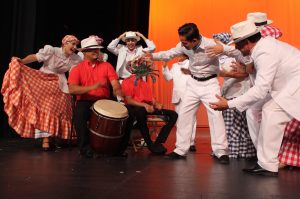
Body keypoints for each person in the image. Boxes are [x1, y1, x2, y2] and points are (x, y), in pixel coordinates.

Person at [209, 20, 300, 176]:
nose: (236, 48)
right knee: (253, 110)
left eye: (238, 44)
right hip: (285, 87)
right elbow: (236, 52)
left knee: (271, 111)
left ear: (247, 43)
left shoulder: (265, 52)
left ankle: (268, 165)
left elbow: (261, 89)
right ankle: (264, 159)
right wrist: (223, 49)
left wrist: (229, 104)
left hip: (295, 86)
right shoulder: (260, 46)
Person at [145, 23, 244, 163]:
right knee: (184, 115)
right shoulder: (184, 45)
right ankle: (180, 150)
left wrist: (225, 50)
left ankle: (221, 152)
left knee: (216, 116)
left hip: (210, 84)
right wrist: (152, 56)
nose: (182, 45)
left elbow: (236, 52)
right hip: (192, 84)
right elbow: (169, 53)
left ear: (195, 40)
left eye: (184, 42)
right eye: (181, 41)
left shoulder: (211, 45)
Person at [1, 35, 81, 150]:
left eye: (76, 45)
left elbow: (74, 74)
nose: (74, 47)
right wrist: (22, 61)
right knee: (46, 108)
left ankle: (55, 136)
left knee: (62, 109)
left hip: (60, 83)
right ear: (64, 44)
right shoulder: (52, 51)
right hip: (44, 80)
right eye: (72, 44)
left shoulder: (75, 59)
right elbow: (35, 57)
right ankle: (46, 139)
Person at [68, 37, 126, 158]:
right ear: (84, 52)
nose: (96, 51)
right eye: (92, 50)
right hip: (85, 101)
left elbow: (115, 83)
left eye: (97, 49)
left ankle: (117, 149)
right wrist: (93, 87)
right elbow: (72, 89)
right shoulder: (76, 69)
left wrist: (117, 90)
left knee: (127, 115)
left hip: (103, 101)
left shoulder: (106, 66)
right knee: (79, 114)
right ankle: (85, 149)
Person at [121, 57, 178, 155]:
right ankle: (149, 143)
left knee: (173, 114)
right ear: (131, 68)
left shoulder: (144, 83)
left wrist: (157, 104)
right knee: (140, 111)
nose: (139, 66)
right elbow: (129, 100)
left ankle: (158, 142)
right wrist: (144, 105)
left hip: (146, 107)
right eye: (135, 65)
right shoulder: (127, 81)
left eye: (140, 65)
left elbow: (152, 99)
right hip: (134, 107)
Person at [244, 12, 283, 149]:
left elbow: (250, 68)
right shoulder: (271, 34)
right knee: (256, 112)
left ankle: (263, 152)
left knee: (257, 113)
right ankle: (264, 152)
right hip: (267, 84)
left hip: (272, 86)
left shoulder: (264, 39)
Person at [214, 32, 256, 159]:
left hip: (242, 92)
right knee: (230, 125)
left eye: (216, 42)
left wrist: (228, 74)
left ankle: (246, 152)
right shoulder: (218, 58)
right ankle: (232, 151)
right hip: (229, 92)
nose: (214, 44)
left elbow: (245, 73)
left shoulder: (236, 55)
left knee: (242, 124)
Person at [162, 55, 197, 152]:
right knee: (179, 120)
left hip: (190, 95)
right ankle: (181, 143)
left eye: (181, 54)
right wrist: (165, 67)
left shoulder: (192, 64)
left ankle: (191, 142)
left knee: (191, 119)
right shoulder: (174, 65)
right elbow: (168, 78)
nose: (178, 56)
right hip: (178, 96)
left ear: (186, 55)